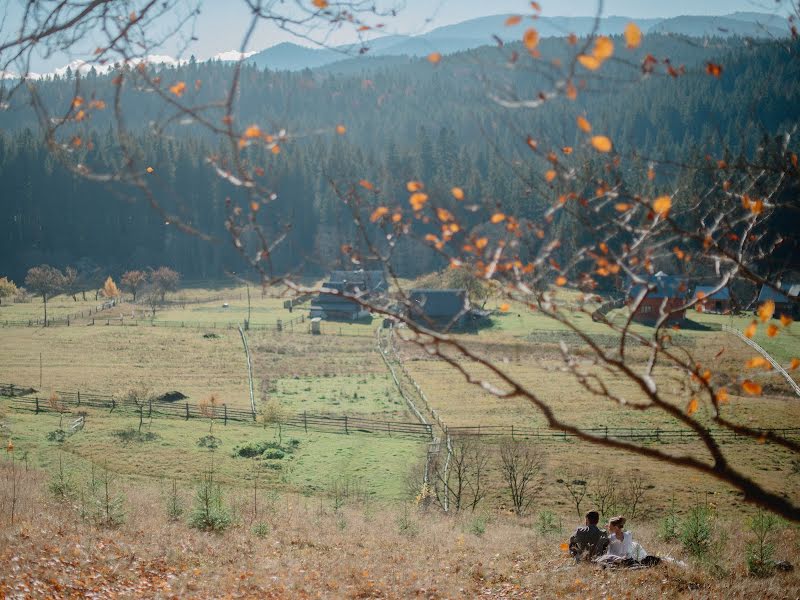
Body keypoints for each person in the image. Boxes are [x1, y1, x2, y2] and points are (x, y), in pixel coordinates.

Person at [595, 516, 661, 568]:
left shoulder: (611, 538)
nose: (608, 528)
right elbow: (620, 534)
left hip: (615, 561)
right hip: (628, 560)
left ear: (616, 527)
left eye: (609, 526)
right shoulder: (628, 535)